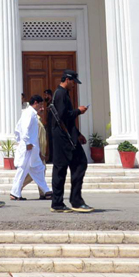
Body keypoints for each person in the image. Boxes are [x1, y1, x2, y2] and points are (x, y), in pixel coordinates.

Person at [49, 70, 92, 213]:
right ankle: (59, 203)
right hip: (62, 139)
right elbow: (62, 117)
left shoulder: (63, 93)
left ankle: (74, 200)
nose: (74, 85)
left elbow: (67, 120)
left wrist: (78, 134)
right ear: (67, 80)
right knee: (61, 169)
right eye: (73, 82)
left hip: (68, 136)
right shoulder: (60, 94)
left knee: (78, 165)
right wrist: (79, 111)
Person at [11, 95, 52, 201]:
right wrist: (27, 142)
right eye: (40, 104)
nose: (41, 107)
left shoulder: (31, 113)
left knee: (38, 168)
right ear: (35, 103)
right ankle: (15, 192)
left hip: (32, 147)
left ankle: (46, 191)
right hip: (28, 147)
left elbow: (18, 129)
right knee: (23, 169)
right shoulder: (29, 113)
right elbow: (24, 128)